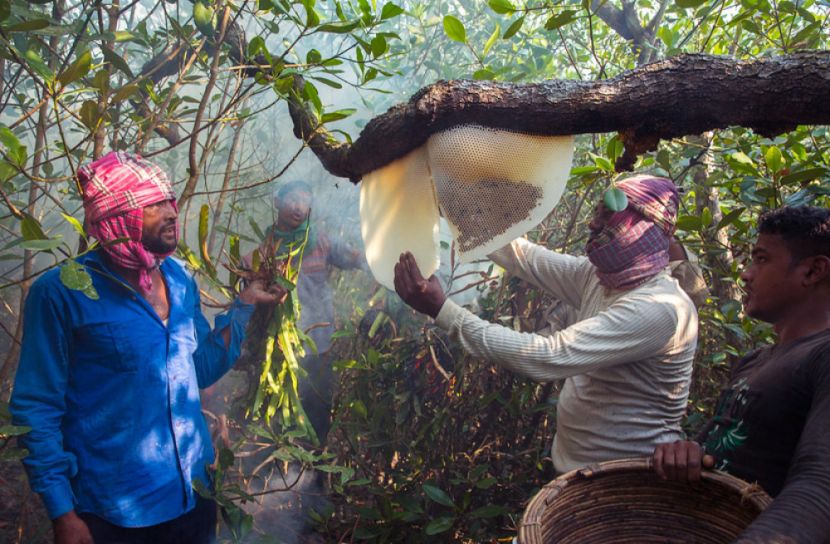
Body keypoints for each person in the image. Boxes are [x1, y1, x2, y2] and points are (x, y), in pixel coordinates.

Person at [10, 152, 281, 544]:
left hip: (195, 493)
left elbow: (198, 370)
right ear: (118, 218)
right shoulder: (61, 293)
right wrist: (62, 512)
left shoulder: (178, 278)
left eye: (169, 200)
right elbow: (36, 408)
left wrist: (243, 307)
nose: (172, 212)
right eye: (153, 204)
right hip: (117, 513)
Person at [394, 175, 699, 474]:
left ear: (642, 226)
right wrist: (449, 204)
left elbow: (548, 355)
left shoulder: (659, 309)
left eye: (607, 217)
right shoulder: (603, 278)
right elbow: (525, 257)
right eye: (596, 215)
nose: (593, 225)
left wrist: (443, 311)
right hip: (580, 473)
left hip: (624, 479)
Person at [652, 205, 830, 543]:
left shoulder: (823, 356)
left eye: (761, 259)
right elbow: (710, 451)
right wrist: (684, 453)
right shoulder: (754, 360)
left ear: (812, 271)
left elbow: (820, 486)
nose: (746, 274)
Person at [243, 180, 364, 442]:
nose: (299, 207)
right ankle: (275, 473)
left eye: (305, 202)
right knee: (275, 416)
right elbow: (248, 303)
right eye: (293, 200)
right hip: (276, 350)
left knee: (317, 414)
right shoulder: (261, 254)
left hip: (318, 347)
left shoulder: (321, 243)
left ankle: (316, 475)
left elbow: (358, 259)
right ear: (277, 202)